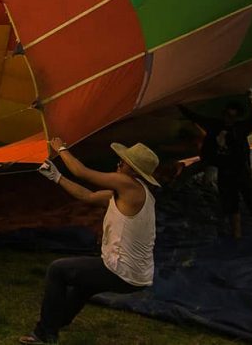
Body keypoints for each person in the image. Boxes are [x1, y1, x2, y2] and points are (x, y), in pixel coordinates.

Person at [20, 138, 159, 345]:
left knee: (57, 270)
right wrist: (56, 177)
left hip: (121, 271)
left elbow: (82, 172)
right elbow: (88, 195)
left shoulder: (129, 186)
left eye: (124, 162)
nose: (118, 164)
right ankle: (57, 322)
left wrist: (60, 147)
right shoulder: (130, 194)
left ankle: (44, 334)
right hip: (136, 274)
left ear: (135, 172)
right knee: (82, 285)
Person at [178, 89, 252, 241]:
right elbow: (196, 117)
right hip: (225, 171)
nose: (227, 118)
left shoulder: (240, 128)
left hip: (241, 171)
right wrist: (179, 105)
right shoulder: (215, 125)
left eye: (231, 116)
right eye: (226, 114)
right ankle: (237, 237)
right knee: (231, 206)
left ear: (236, 117)